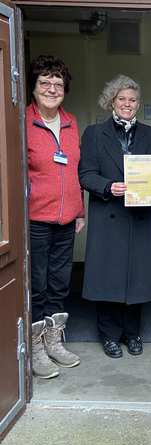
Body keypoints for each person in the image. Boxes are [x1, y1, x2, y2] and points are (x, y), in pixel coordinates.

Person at [79, 75, 151, 359]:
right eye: (122, 99)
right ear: (111, 103)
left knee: (137, 278)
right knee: (108, 277)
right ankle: (109, 335)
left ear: (138, 104)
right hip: (109, 215)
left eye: (132, 100)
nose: (127, 104)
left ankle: (133, 333)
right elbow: (86, 175)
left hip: (140, 217)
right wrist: (108, 186)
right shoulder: (94, 133)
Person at [26, 55, 84, 380]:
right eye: (45, 82)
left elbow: (74, 170)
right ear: (33, 87)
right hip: (35, 219)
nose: (52, 88)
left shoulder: (71, 123)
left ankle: (54, 341)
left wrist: (80, 209)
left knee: (60, 283)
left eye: (58, 84)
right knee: (38, 285)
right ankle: (35, 348)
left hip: (67, 219)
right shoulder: (23, 122)